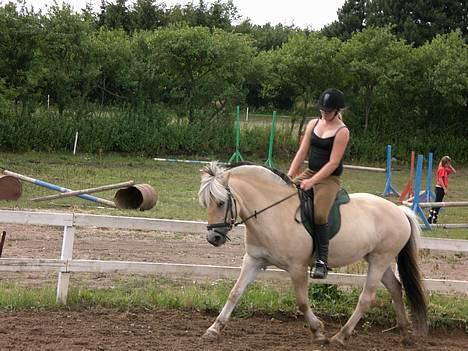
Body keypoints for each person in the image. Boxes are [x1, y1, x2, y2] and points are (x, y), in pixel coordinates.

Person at [287, 88, 349, 279]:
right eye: (322, 110)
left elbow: (333, 163)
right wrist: (290, 175)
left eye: (328, 111)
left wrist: (312, 181)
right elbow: (303, 151)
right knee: (283, 195)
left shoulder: (342, 131)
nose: (324, 113)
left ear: (337, 110)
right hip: (310, 171)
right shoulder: (313, 123)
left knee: (320, 214)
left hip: (328, 178)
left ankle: (322, 260)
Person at [427, 156, 456, 224]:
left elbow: (454, 171)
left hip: (441, 188)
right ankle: (432, 218)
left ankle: (432, 218)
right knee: (437, 204)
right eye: (448, 163)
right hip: (439, 188)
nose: (448, 164)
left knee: (438, 204)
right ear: (444, 163)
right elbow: (440, 179)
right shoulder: (441, 169)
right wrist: (444, 188)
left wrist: (449, 165)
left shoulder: (445, 169)